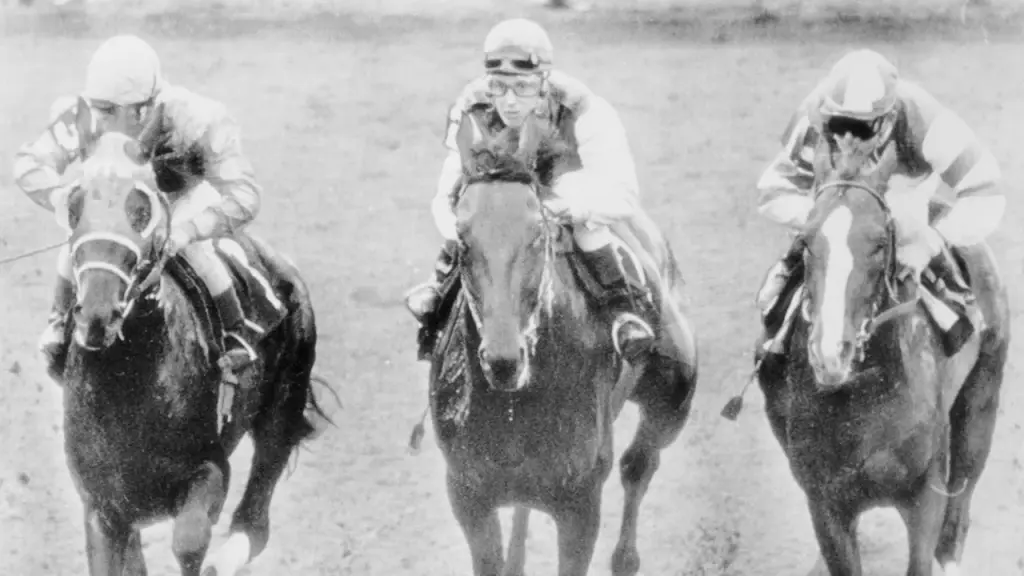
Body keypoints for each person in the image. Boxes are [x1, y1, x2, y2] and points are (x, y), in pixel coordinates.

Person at [13, 34, 274, 378]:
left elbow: (244, 195)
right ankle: (60, 319)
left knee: (197, 254)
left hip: (179, 200)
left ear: (145, 106)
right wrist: (62, 199)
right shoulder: (84, 113)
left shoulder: (194, 119)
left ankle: (235, 332)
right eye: (98, 107)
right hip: (115, 199)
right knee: (81, 241)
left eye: (109, 111)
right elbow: (29, 165)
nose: (98, 118)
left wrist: (189, 230)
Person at [404, 18, 658, 363]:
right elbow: (446, 194)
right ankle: (439, 291)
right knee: (476, 215)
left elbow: (624, 195)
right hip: (503, 190)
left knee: (587, 222)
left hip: (564, 182)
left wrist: (569, 209)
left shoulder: (584, 109)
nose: (508, 102)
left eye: (522, 87)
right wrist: (461, 229)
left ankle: (623, 312)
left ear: (543, 80)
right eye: (498, 86)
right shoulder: (471, 104)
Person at [753, 48, 1004, 359]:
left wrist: (931, 242)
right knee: (824, 246)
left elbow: (988, 190)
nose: (846, 139)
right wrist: (827, 222)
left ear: (888, 121)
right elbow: (771, 190)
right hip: (831, 196)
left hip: (903, 191)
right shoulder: (812, 116)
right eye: (838, 125)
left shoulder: (927, 121)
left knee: (905, 233)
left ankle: (949, 295)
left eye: (860, 128)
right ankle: (786, 282)